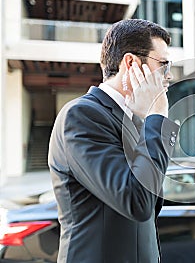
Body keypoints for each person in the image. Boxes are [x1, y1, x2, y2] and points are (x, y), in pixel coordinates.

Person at [48, 19, 179, 263]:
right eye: (163, 64)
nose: (169, 75)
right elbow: (136, 201)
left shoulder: (136, 121)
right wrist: (158, 116)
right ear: (131, 63)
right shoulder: (81, 116)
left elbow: (149, 206)